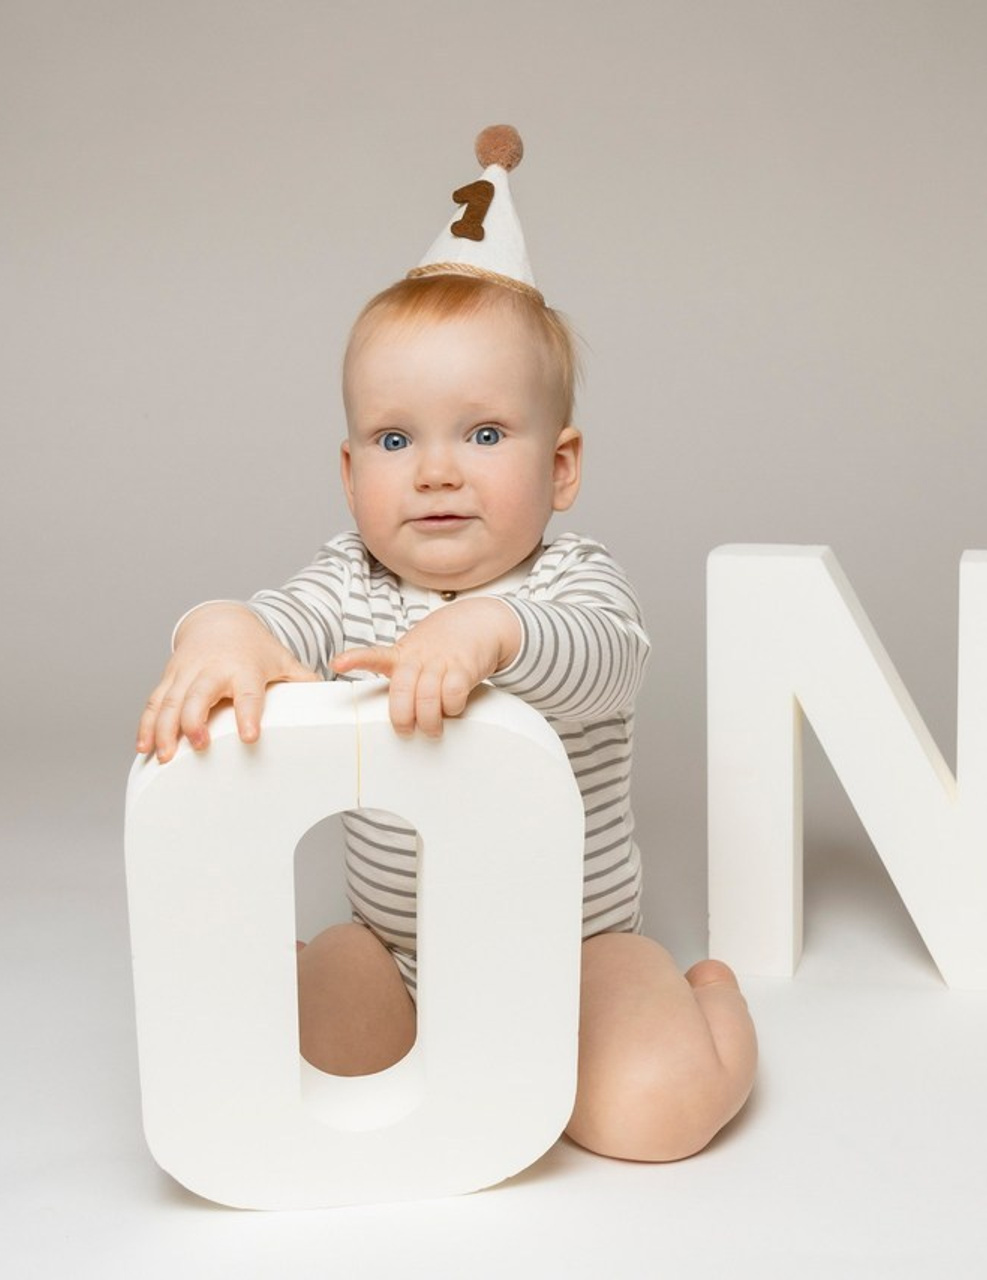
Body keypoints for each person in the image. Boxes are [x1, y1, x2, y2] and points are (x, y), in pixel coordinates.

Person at [134, 126, 756, 1163]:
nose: (433, 470)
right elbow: (272, 623)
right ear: (347, 473)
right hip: (399, 946)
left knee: (652, 1116)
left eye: (481, 434)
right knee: (316, 1080)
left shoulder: (570, 582)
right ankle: (302, 967)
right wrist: (216, 630)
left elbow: (607, 656)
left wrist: (490, 628)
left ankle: (712, 999)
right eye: (393, 438)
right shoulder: (350, 582)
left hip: (574, 947)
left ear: (559, 468)